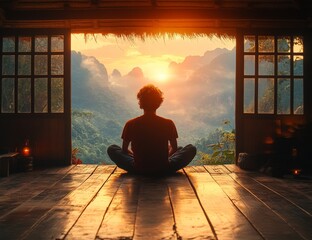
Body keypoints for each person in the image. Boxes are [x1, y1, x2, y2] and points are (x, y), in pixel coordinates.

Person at [107, 84, 196, 175]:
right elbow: (174, 148)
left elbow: (124, 149)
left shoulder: (131, 124)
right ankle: (161, 164)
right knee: (189, 148)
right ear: (158, 103)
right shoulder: (168, 123)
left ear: (140, 103)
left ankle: (141, 164)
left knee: (112, 149)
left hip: (138, 168)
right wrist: (165, 158)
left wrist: (137, 158)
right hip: (163, 168)